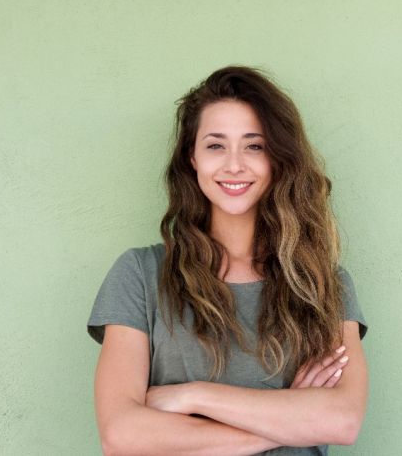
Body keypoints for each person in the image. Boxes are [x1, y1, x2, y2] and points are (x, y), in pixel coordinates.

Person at [86, 66, 369, 455]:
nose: (234, 164)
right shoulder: (139, 274)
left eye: (254, 145)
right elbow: (120, 435)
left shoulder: (323, 283)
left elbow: (342, 420)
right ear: (192, 158)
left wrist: (194, 396)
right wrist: (292, 419)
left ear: (277, 159)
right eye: (215, 145)